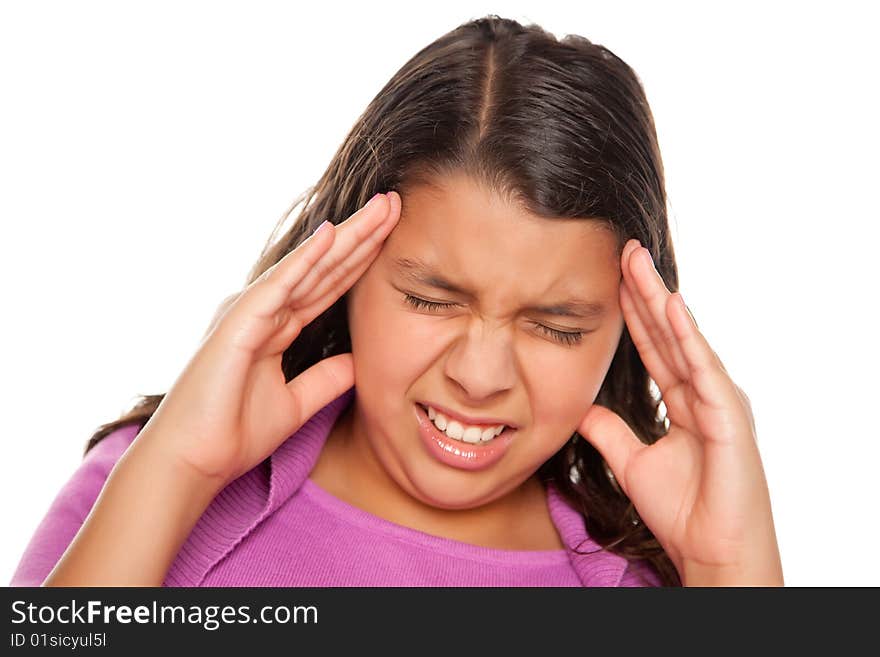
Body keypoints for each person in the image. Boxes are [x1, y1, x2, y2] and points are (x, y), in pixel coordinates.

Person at [10, 15, 783, 587]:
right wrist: (174, 467)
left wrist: (730, 569)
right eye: (428, 299)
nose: (480, 376)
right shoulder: (151, 484)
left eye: (555, 326)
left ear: (628, 330)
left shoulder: (636, 586)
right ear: (344, 265)